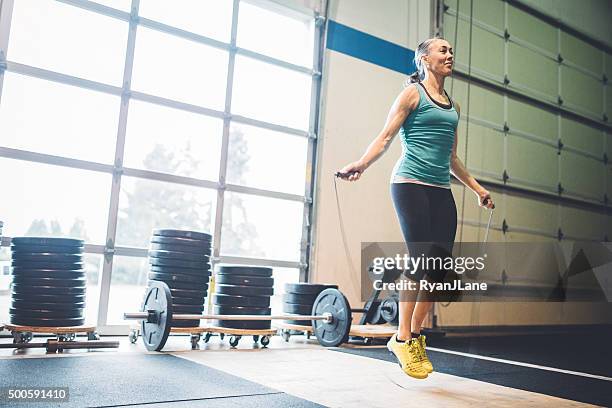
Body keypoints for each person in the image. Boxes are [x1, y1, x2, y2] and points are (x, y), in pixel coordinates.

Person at [337, 37, 495, 379]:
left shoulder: (453, 106)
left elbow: (452, 159)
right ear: (424, 58)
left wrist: (478, 189)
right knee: (421, 259)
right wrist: (362, 164)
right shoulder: (412, 94)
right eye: (443, 50)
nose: (450, 54)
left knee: (438, 270)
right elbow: (385, 137)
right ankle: (403, 336)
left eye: (452, 50)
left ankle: (414, 337)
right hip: (409, 184)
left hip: (440, 189)